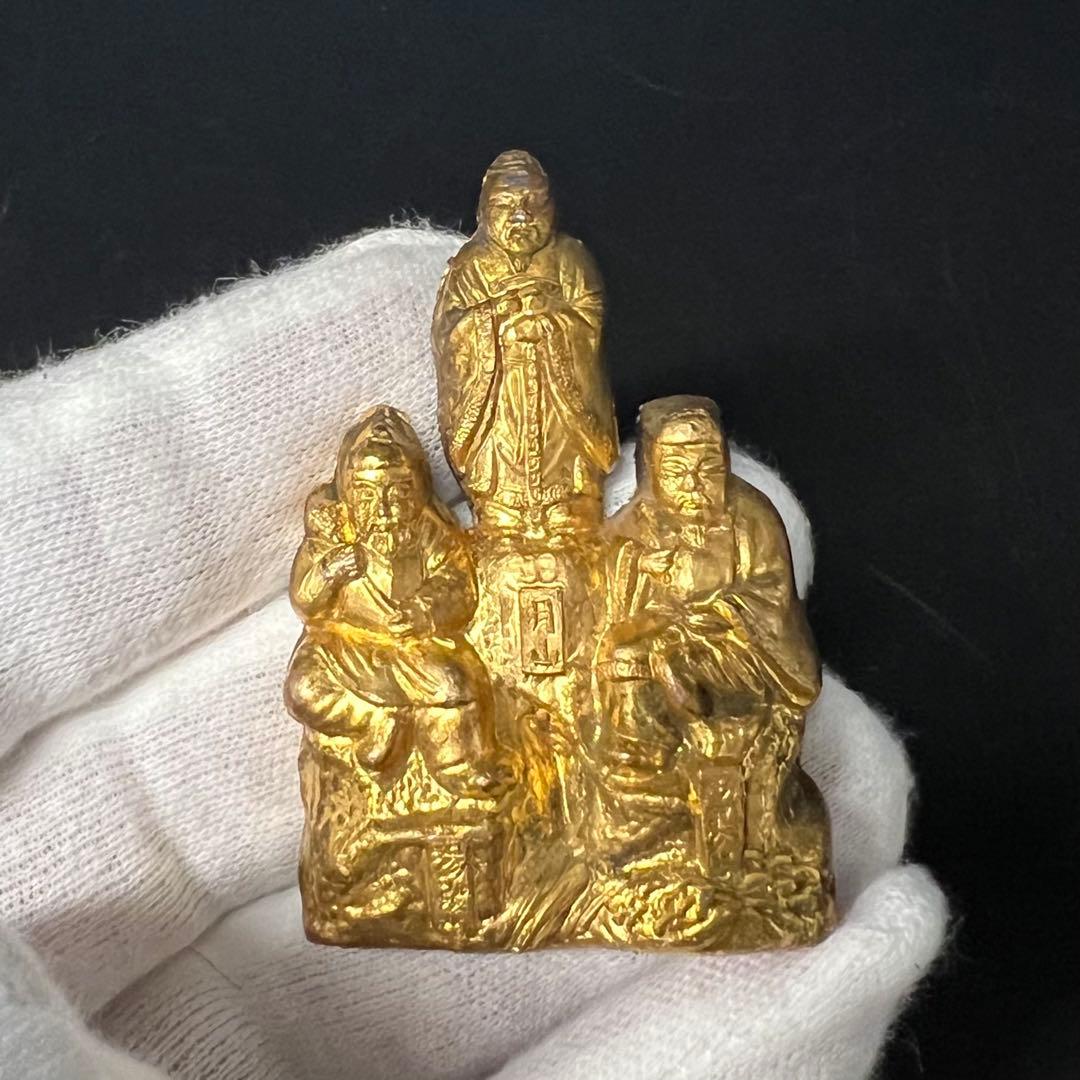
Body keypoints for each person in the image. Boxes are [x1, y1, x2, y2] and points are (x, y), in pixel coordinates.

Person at [597, 396, 825, 865]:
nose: (693, 484)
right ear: (651, 470)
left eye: (707, 468)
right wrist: (644, 571)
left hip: (740, 652)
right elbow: (612, 610)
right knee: (625, 661)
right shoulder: (633, 528)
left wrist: (703, 615)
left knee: (675, 662)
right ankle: (646, 771)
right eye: (676, 471)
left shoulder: (752, 518)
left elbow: (771, 601)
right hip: (662, 652)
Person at [284, 404, 501, 798]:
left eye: (396, 493)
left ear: (415, 490)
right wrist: (330, 571)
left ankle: (456, 768)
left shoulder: (431, 533)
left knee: (456, 685)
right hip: (344, 650)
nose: (384, 510)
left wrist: (424, 611)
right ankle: (375, 722)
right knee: (304, 688)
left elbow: (458, 584)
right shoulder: (331, 534)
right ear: (350, 493)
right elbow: (305, 599)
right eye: (368, 496)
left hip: (414, 651)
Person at [432, 150, 619, 531]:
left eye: (534, 204)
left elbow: (591, 318)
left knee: (567, 490)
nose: (522, 217)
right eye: (506, 205)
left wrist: (551, 320)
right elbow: (449, 333)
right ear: (485, 211)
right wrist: (495, 318)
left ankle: (570, 513)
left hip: (559, 396)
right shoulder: (471, 265)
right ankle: (500, 513)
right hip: (500, 397)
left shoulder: (571, 258)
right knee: (501, 484)